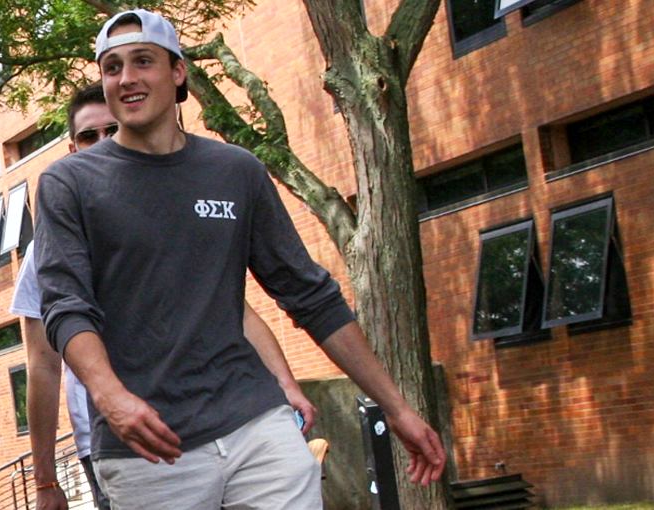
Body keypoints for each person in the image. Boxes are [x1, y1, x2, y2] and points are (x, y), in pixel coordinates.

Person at [35, 10, 447, 509]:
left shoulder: (236, 171)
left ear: (178, 71)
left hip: (254, 421)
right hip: (149, 448)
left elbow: (310, 295)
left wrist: (396, 406)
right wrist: (108, 395)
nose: (126, 79)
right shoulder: (69, 184)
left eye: (143, 61)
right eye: (112, 67)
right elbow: (65, 305)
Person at [15, 82, 319, 510]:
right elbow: (43, 366)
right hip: (124, 443)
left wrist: (283, 383)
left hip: (229, 419)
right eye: (88, 136)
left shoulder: (171, 211)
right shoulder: (47, 246)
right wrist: (46, 481)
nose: (102, 142)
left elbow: (236, 311)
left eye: (112, 129)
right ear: (71, 148)